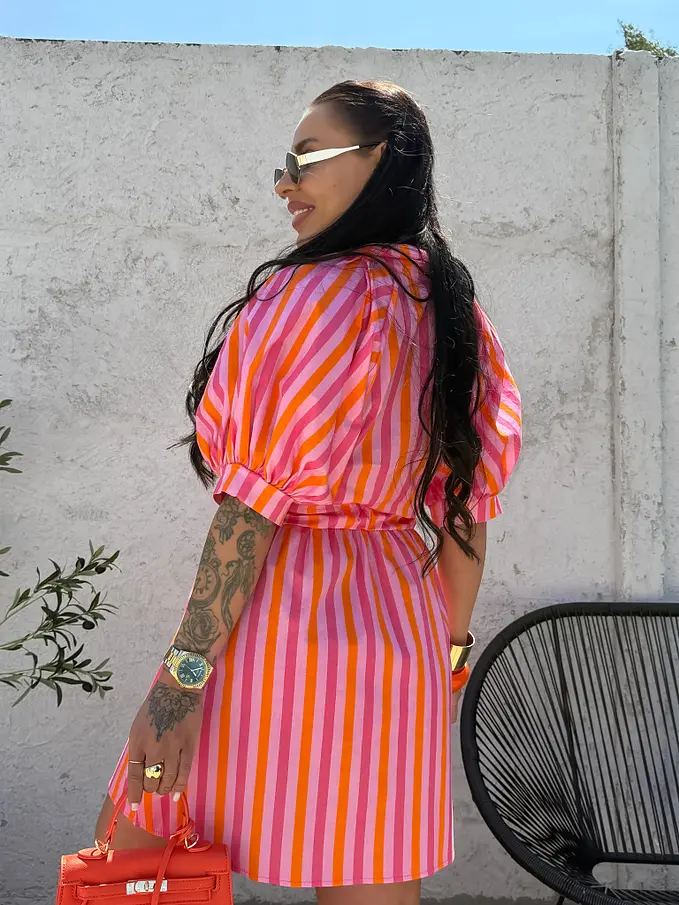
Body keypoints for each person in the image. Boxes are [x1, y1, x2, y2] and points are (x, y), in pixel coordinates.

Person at [95, 79, 522, 905]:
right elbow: (462, 509)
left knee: (132, 867)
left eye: (305, 159)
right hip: (397, 629)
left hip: (273, 615)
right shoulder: (453, 309)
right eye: (282, 166)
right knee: (368, 869)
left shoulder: (305, 297)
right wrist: (449, 657)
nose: (284, 184)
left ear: (379, 158)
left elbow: (249, 509)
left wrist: (178, 683)